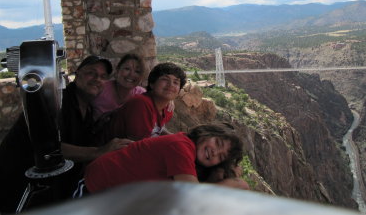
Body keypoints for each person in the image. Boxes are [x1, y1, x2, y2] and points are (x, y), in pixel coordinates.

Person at [0, 55, 132, 213]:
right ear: (77, 74)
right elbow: (49, 147)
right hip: (19, 185)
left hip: (46, 187)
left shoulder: (87, 109)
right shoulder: (57, 102)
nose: (97, 79)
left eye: (103, 77)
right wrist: (99, 152)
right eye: (91, 73)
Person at [82, 123, 249, 194]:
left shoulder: (186, 150)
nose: (214, 153)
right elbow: (192, 196)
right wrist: (234, 183)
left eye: (221, 156)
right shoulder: (181, 146)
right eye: (217, 143)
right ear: (206, 133)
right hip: (93, 191)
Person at [99, 62, 186, 142]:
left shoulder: (167, 108)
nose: (171, 84)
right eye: (165, 79)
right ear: (152, 84)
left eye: (176, 82)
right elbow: (138, 146)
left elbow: (158, 130)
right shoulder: (141, 104)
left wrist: (176, 139)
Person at [92, 54, 146, 120]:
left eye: (137, 71)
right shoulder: (101, 88)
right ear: (117, 70)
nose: (131, 74)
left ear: (141, 77)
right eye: (127, 69)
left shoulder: (142, 94)